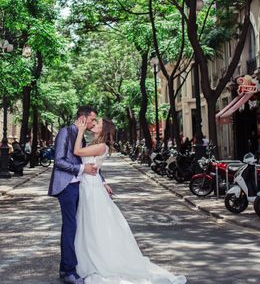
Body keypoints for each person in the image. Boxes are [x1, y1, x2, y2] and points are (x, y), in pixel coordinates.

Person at [74, 118, 186, 284]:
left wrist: (80, 131)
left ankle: (99, 258)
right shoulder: (98, 145)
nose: (93, 124)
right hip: (90, 185)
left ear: (103, 130)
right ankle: (91, 256)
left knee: (94, 224)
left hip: (91, 188)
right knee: (91, 224)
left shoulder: (100, 146)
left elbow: (77, 152)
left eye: (97, 124)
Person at [48, 106, 101, 284]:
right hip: (67, 186)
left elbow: (88, 161)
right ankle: (69, 271)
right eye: (92, 119)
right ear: (82, 118)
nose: (94, 123)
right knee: (70, 227)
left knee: (72, 227)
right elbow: (59, 161)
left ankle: (65, 268)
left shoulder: (81, 136)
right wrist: (81, 168)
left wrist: (103, 181)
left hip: (79, 185)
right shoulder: (65, 132)